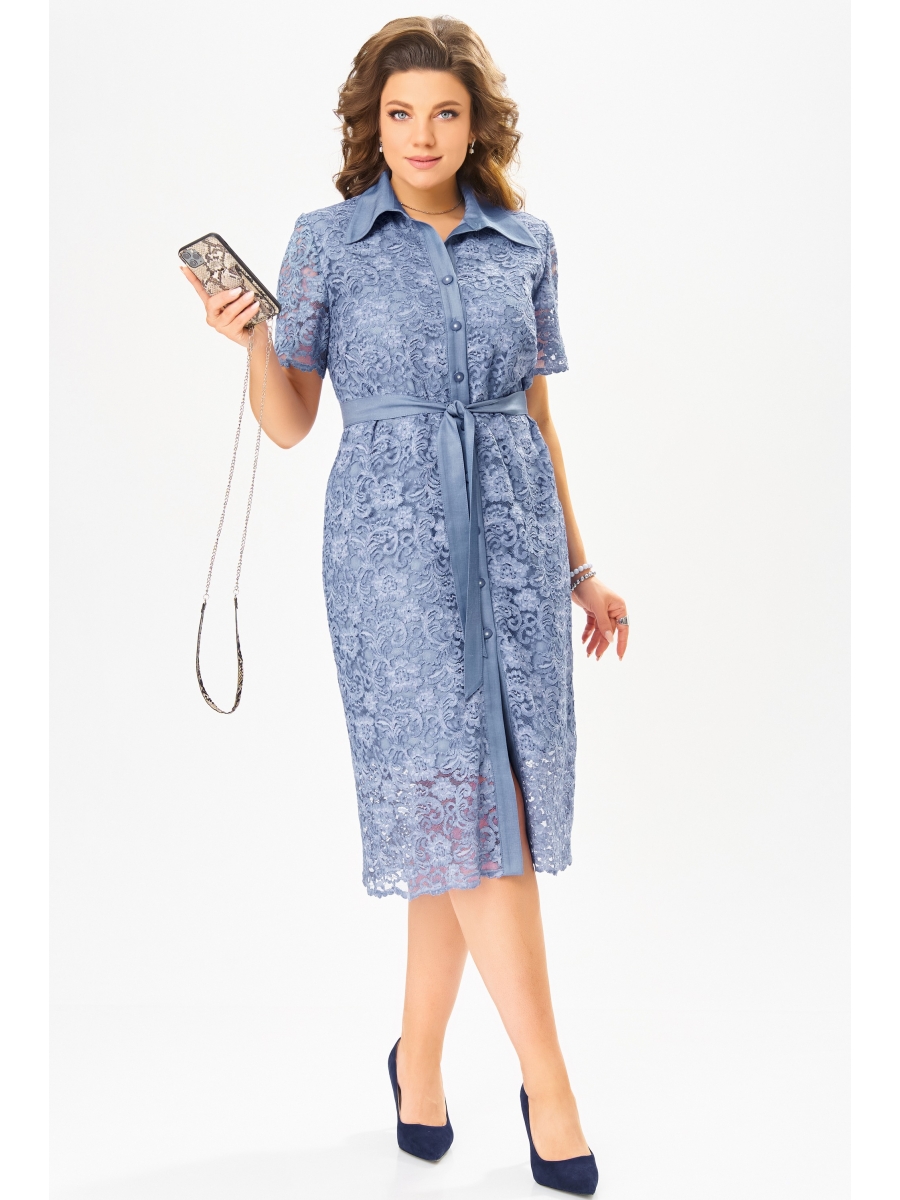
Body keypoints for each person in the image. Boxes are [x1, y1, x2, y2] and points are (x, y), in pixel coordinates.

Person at [182, 16, 628, 1195]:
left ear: (477, 126)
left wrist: (582, 570)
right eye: (399, 113)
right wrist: (251, 340)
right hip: (393, 559)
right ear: (370, 126)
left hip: (518, 551)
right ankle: (551, 1087)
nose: (421, 134)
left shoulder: (523, 243)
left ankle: (416, 1064)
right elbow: (290, 422)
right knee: (472, 808)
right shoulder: (326, 243)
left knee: (469, 814)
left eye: (444, 112)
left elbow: (537, 419)